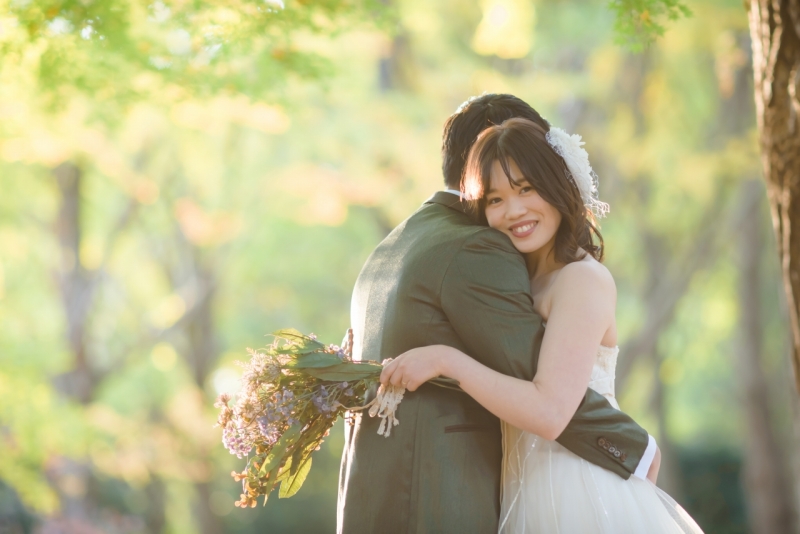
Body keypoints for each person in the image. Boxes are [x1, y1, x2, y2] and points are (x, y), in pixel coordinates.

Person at [337, 94, 660, 534]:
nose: (513, 210)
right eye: (495, 198)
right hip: (513, 485)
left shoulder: (580, 278)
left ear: (556, 178)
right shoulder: (489, 256)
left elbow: (550, 407)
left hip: (574, 483)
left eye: (526, 187)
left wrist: (638, 449)